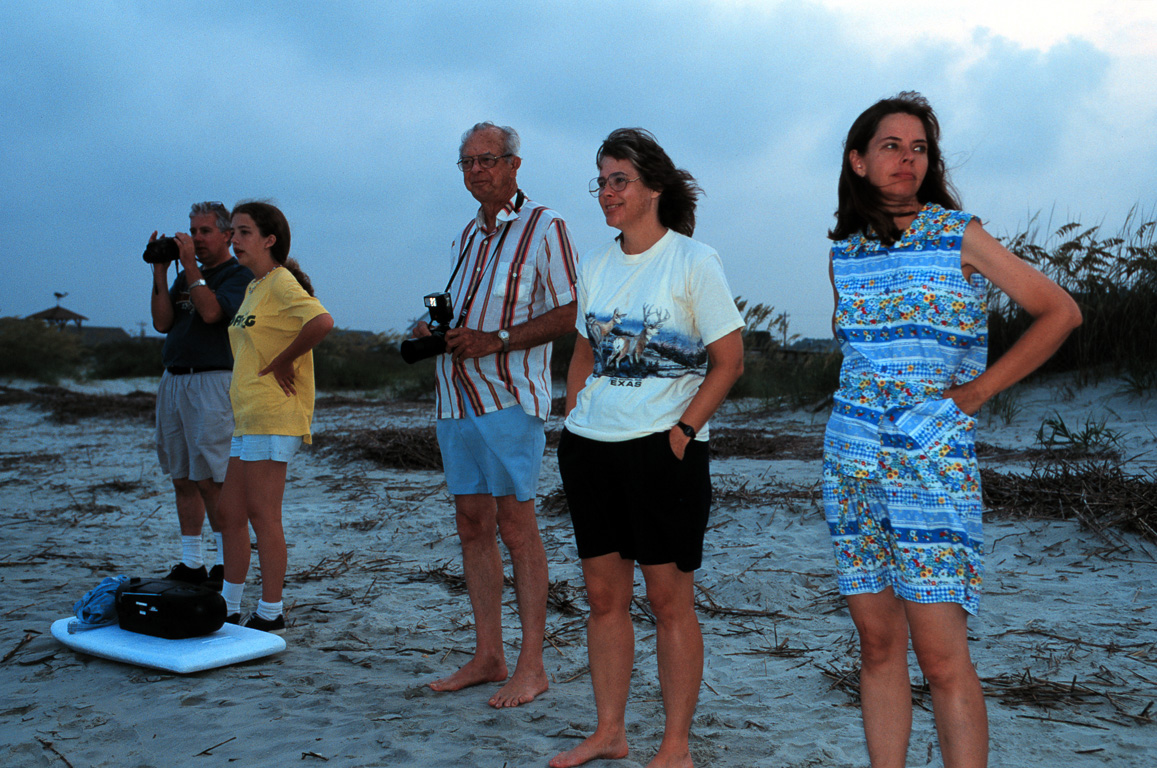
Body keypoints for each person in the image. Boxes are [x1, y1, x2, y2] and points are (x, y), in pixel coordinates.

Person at [822, 92, 1082, 768]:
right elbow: (853, 350)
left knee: (940, 657)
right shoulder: (842, 253)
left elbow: (1058, 311)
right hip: (850, 463)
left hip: (930, 465)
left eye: (918, 148)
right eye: (890, 145)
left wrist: (973, 395)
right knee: (876, 647)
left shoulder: (955, 233)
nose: (906, 158)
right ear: (857, 160)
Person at [551, 128, 744, 768]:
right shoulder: (597, 264)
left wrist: (683, 433)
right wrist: (576, 412)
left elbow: (729, 360)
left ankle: (675, 746)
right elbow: (584, 347)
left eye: (618, 180)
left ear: (652, 188)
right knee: (604, 601)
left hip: (663, 452)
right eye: (601, 181)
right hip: (591, 448)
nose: (606, 193)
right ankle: (610, 732)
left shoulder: (694, 261)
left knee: (668, 601)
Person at [415, 122, 578, 708]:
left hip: (509, 398)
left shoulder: (545, 226)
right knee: (471, 524)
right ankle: (489, 655)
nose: (477, 170)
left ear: (514, 164)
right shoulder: (468, 234)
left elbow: (570, 312)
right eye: (466, 162)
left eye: (487, 159)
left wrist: (498, 338)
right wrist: (433, 330)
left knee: (517, 525)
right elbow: (462, 309)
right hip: (455, 398)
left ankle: (532, 666)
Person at [217, 201, 334, 633]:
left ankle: (271, 611)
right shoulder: (254, 286)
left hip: (274, 414)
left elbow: (321, 322)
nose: (235, 239)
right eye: (233, 231)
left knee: (263, 513)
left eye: (244, 232)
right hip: (247, 417)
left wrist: (287, 361)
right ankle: (227, 605)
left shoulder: (282, 281)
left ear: (270, 239)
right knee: (229, 512)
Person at [148, 201, 253, 589]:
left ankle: (226, 566)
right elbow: (162, 322)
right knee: (182, 477)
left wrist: (190, 266)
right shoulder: (184, 276)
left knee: (212, 478)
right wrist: (161, 272)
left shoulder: (237, 275)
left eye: (205, 231)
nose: (196, 239)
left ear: (227, 234)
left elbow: (212, 313)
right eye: (192, 231)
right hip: (174, 379)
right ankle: (192, 563)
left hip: (213, 382)